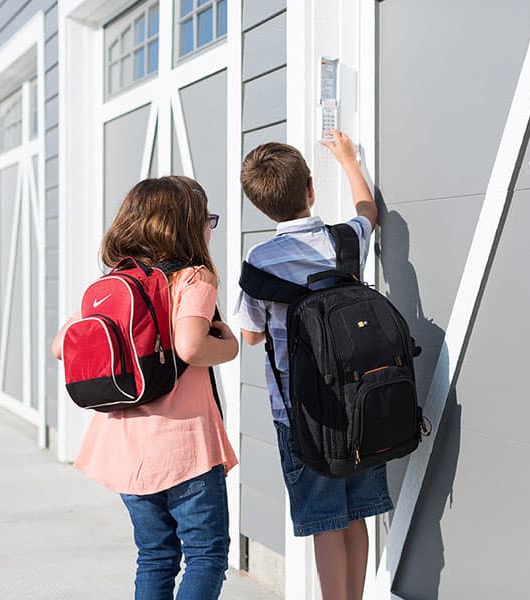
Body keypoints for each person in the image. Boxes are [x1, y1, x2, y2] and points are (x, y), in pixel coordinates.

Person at [51, 176, 239, 600]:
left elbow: (60, 347)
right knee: (206, 554)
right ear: (187, 226)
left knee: (155, 556)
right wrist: (228, 347)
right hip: (184, 445)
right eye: (207, 220)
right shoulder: (193, 278)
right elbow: (191, 346)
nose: (210, 228)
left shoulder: (113, 284)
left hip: (125, 449)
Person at [235, 130, 385, 600]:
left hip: (300, 414)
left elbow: (251, 334)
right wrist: (348, 159)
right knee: (357, 515)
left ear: (260, 206)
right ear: (310, 188)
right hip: (359, 399)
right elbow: (368, 212)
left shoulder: (260, 261)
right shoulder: (345, 240)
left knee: (326, 522)